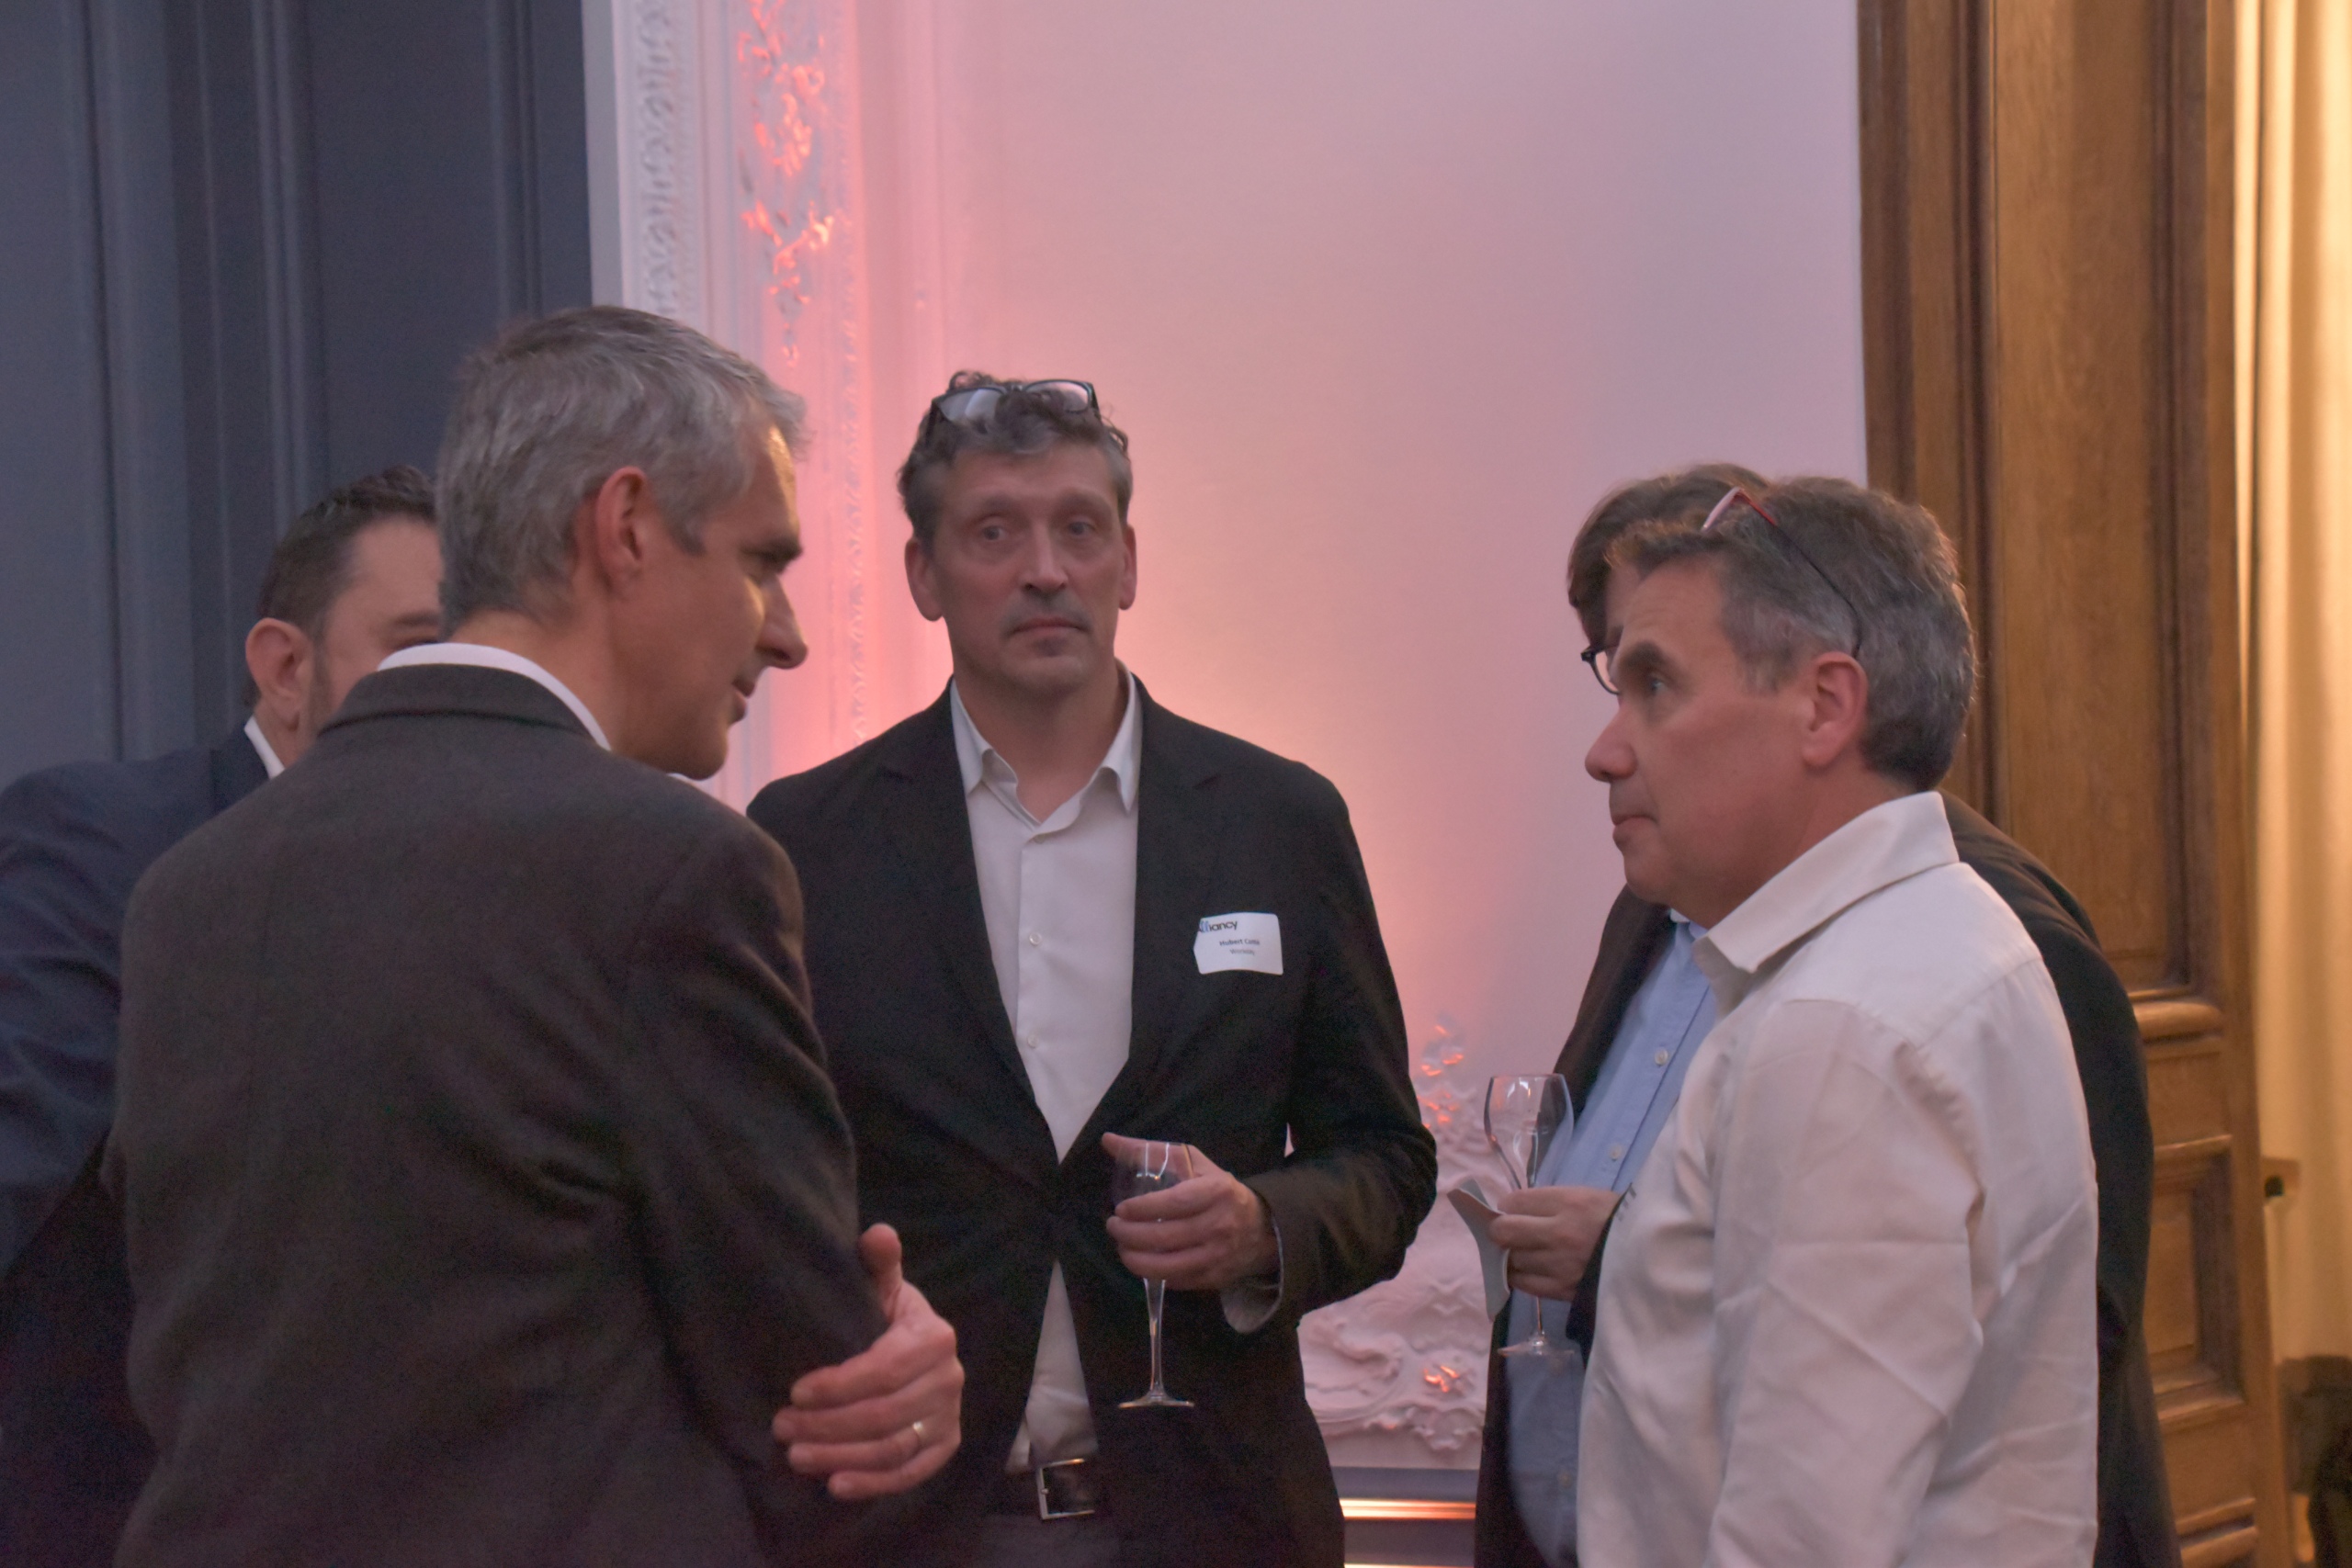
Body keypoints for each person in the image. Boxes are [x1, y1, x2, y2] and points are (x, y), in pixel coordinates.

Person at [104, 306, 962, 1567]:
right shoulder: (674, 870)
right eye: (760, 562)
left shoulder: (186, 892)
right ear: (626, 528)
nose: (785, 633)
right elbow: (819, 1415)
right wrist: (891, 1357)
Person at [748, 373, 1438, 1567]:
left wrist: (1264, 1225)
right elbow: (757, 1185)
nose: (1045, 570)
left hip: (1213, 1519)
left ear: (1128, 563)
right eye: (994, 532)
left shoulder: (1277, 821)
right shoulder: (807, 839)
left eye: (1079, 527)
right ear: (923, 575)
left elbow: (1385, 1157)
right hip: (904, 1523)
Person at [1471, 468, 2178, 1568]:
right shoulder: (1938, 934)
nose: (1605, 750)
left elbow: (1800, 1538)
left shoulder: (1844, 1027)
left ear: (1823, 706)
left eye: (1654, 685)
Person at [0, 468, 444, 1565]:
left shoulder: (521, 905)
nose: (456, 700)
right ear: (287, 668)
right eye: (419, 653)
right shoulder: (111, 844)